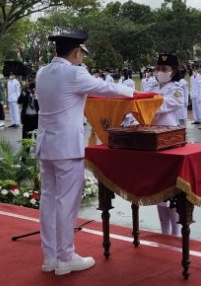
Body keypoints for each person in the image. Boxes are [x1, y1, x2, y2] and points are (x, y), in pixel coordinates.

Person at [35, 30, 134, 276]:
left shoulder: (42, 72)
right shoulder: (75, 72)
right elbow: (104, 88)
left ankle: (49, 257)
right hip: (67, 148)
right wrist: (132, 92)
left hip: (47, 146)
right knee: (66, 203)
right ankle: (66, 257)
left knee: (48, 202)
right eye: (81, 53)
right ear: (77, 52)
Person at [149, 53, 186, 235]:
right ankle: (164, 230)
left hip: (168, 136)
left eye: (165, 69)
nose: (161, 72)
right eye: (159, 69)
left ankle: (176, 232)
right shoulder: (155, 87)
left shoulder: (176, 87)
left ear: (173, 71)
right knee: (159, 189)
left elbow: (174, 102)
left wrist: (151, 103)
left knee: (171, 188)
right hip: (154, 137)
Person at [18, 76, 39, 140]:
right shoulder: (25, 91)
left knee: (38, 139)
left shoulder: (39, 90)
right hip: (27, 118)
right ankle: (26, 150)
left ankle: (38, 149)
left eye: (31, 82)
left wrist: (35, 94)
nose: (30, 84)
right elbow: (19, 101)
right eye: (28, 82)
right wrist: (24, 93)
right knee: (26, 139)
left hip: (37, 118)